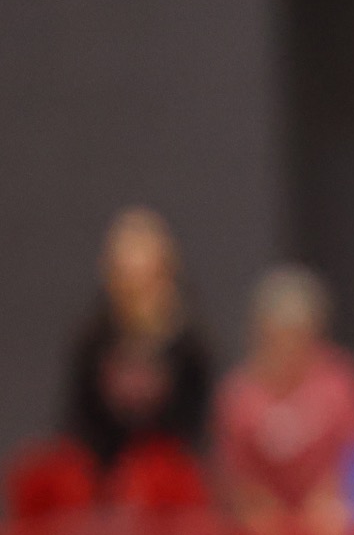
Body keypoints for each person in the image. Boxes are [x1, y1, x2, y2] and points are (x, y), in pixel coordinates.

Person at [20, 208, 218, 516]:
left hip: (163, 467)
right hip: (101, 463)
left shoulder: (190, 344)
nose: (134, 288)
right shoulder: (94, 336)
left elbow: (195, 426)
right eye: (125, 276)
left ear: (166, 273)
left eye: (145, 276)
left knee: (154, 479)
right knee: (48, 476)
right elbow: (77, 416)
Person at [213, 266, 354, 535]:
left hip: (332, 527)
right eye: (277, 334)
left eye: (297, 334)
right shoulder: (239, 393)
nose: (287, 346)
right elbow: (232, 471)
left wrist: (340, 500)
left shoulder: (341, 382)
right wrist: (258, 510)